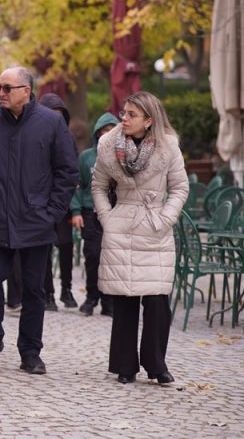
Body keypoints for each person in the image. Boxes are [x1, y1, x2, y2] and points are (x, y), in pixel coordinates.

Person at [0, 66, 78, 374]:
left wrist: (52, 212)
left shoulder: (51, 123)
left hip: (36, 221)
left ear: (26, 91)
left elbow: (67, 172)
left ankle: (30, 351)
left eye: (7, 88)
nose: (0, 92)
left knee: (34, 290)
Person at [91, 91, 188, 385]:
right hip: (121, 225)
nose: (124, 118)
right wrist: (107, 218)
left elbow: (180, 187)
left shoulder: (168, 146)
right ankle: (125, 366)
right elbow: (98, 185)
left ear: (149, 120)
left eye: (132, 114)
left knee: (158, 301)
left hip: (154, 226)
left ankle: (156, 364)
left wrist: (165, 218)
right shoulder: (109, 145)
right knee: (124, 299)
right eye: (124, 113)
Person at [71, 112, 119, 317]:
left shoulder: (122, 156)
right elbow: (77, 186)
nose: (107, 134)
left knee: (112, 259)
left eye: (112, 131)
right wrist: (76, 211)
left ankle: (109, 301)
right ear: (98, 133)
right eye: (104, 131)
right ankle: (91, 297)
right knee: (93, 256)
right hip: (90, 213)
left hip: (116, 214)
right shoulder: (86, 157)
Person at [38, 93, 79, 311]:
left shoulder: (68, 137)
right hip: (41, 201)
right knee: (44, 248)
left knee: (65, 244)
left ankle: (66, 288)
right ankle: (48, 293)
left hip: (63, 200)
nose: (57, 118)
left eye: (60, 114)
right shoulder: (35, 135)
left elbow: (72, 169)